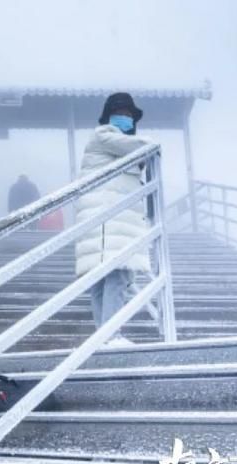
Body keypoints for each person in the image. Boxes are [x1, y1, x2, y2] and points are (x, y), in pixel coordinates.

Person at [74, 93, 152, 346]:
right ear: (108, 114)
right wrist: (154, 145)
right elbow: (146, 147)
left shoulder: (118, 143)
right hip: (109, 218)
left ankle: (103, 336)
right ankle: (111, 336)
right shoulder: (104, 135)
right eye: (121, 112)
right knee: (115, 275)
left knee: (106, 278)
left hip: (114, 219)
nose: (126, 117)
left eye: (130, 114)